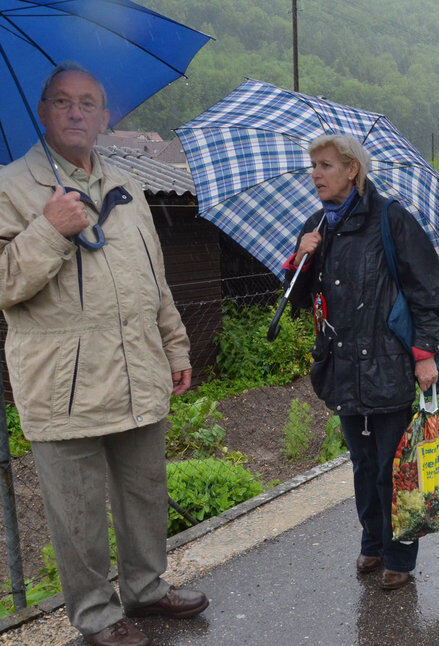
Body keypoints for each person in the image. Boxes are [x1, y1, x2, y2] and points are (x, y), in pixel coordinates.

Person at [0, 63, 208, 646]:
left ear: (106, 115)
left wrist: (174, 345)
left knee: (146, 492)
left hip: (137, 369)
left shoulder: (129, 181)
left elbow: (153, 275)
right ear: (43, 112)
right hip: (62, 384)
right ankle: (95, 615)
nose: (75, 112)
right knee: (78, 511)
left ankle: (145, 589)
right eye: (62, 102)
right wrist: (47, 230)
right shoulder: (11, 187)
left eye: (88, 103)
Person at [285, 134, 439, 591]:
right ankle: (372, 543)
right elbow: (298, 302)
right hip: (342, 370)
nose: (315, 173)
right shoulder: (319, 226)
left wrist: (424, 355)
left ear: (352, 169)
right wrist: (301, 256)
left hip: (389, 364)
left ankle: (399, 555)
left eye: (325, 165)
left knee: (392, 465)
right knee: (360, 463)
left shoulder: (391, 219)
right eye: (312, 164)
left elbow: (425, 293)